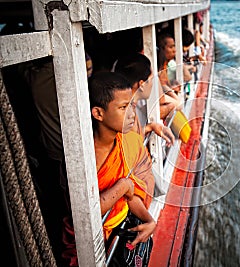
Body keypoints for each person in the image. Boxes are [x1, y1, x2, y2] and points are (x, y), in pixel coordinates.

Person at [62, 72, 156, 266]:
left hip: (120, 225)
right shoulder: (82, 160)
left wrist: (150, 220)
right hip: (90, 243)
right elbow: (84, 214)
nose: (132, 114)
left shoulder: (125, 142)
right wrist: (122, 186)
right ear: (98, 113)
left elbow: (131, 196)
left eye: (131, 104)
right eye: (123, 107)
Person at [114, 52, 176, 143]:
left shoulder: (129, 104)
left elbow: (134, 137)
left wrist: (151, 127)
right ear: (142, 84)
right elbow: (132, 144)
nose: (153, 84)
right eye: (151, 79)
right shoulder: (125, 111)